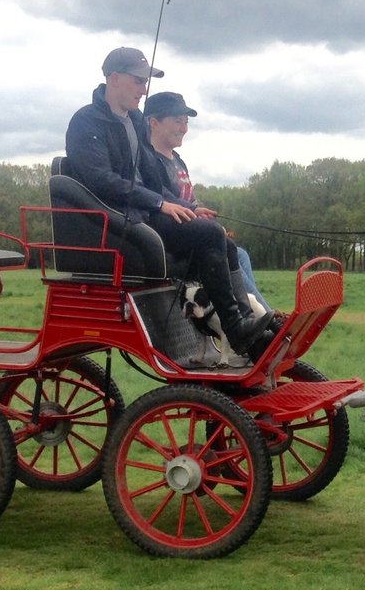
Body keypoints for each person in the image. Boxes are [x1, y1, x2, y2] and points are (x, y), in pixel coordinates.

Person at [64, 48, 275, 358]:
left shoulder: (135, 120)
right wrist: (160, 203)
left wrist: (187, 208)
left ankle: (243, 326)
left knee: (218, 237)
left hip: (140, 214)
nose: (143, 89)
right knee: (209, 234)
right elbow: (102, 181)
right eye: (138, 81)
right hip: (115, 223)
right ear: (114, 79)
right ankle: (236, 327)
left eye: (145, 81)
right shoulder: (87, 122)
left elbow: (153, 180)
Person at [142, 90, 271, 311]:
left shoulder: (178, 162)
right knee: (228, 251)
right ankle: (260, 316)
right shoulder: (150, 162)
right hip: (173, 238)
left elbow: (191, 201)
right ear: (153, 122)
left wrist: (207, 218)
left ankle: (259, 313)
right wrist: (204, 225)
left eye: (185, 122)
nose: (184, 128)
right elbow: (163, 197)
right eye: (177, 121)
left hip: (192, 231)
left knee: (241, 255)